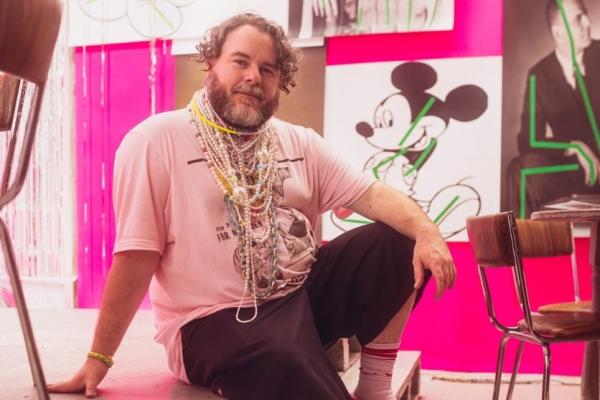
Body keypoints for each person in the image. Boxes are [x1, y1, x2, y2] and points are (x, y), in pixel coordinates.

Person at [48, 13, 455, 400]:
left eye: (267, 69)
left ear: (281, 80)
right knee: (286, 359)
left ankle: (374, 389)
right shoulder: (155, 140)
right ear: (211, 63)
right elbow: (136, 254)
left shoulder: (299, 142)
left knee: (397, 240)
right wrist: (98, 358)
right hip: (211, 318)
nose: (252, 77)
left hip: (299, 297)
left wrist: (427, 232)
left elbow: (374, 195)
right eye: (240, 62)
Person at [507, 0, 600, 218]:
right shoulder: (539, 75)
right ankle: (523, 249)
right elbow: (528, 140)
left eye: (586, 14)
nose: (588, 22)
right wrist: (574, 147)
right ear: (558, 32)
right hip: (581, 172)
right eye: (578, 18)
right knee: (520, 170)